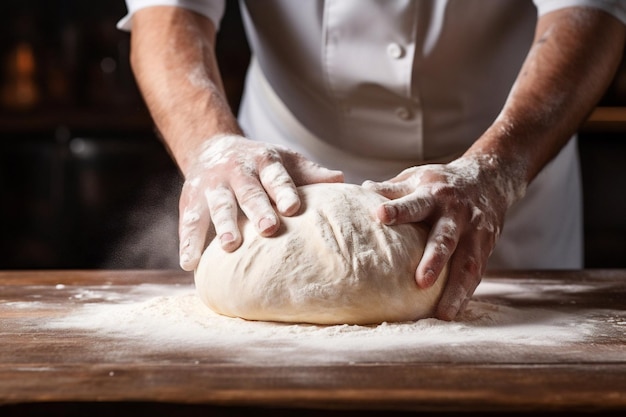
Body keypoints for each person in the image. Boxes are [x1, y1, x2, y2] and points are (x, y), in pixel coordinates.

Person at [117, 0, 626, 320]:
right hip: (285, 182)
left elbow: (589, 12)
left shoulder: (497, 172)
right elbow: (167, 14)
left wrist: (495, 171)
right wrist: (212, 143)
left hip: (502, 170)